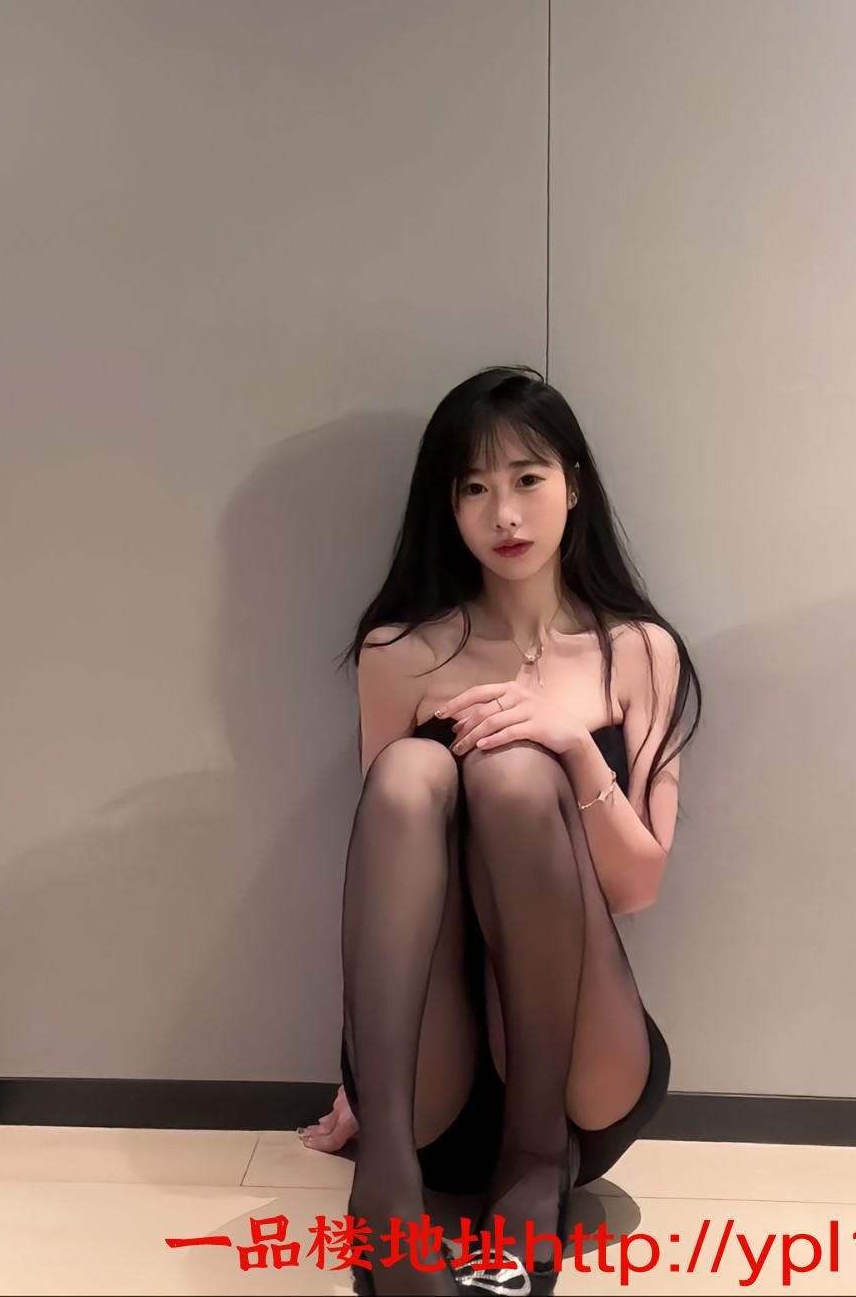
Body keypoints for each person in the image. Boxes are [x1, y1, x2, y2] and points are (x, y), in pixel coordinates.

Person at [299, 365, 702, 1295]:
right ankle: (386, 1187)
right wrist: (364, 1076)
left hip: (576, 1084)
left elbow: (638, 885)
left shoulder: (638, 651)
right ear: (447, 508)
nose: (505, 513)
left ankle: (532, 1168)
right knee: (409, 773)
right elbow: (383, 868)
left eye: (526, 478)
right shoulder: (401, 653)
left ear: (574, 485)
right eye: (474, 487)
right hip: (432, 1091)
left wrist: (574, 747)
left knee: (516, 774)